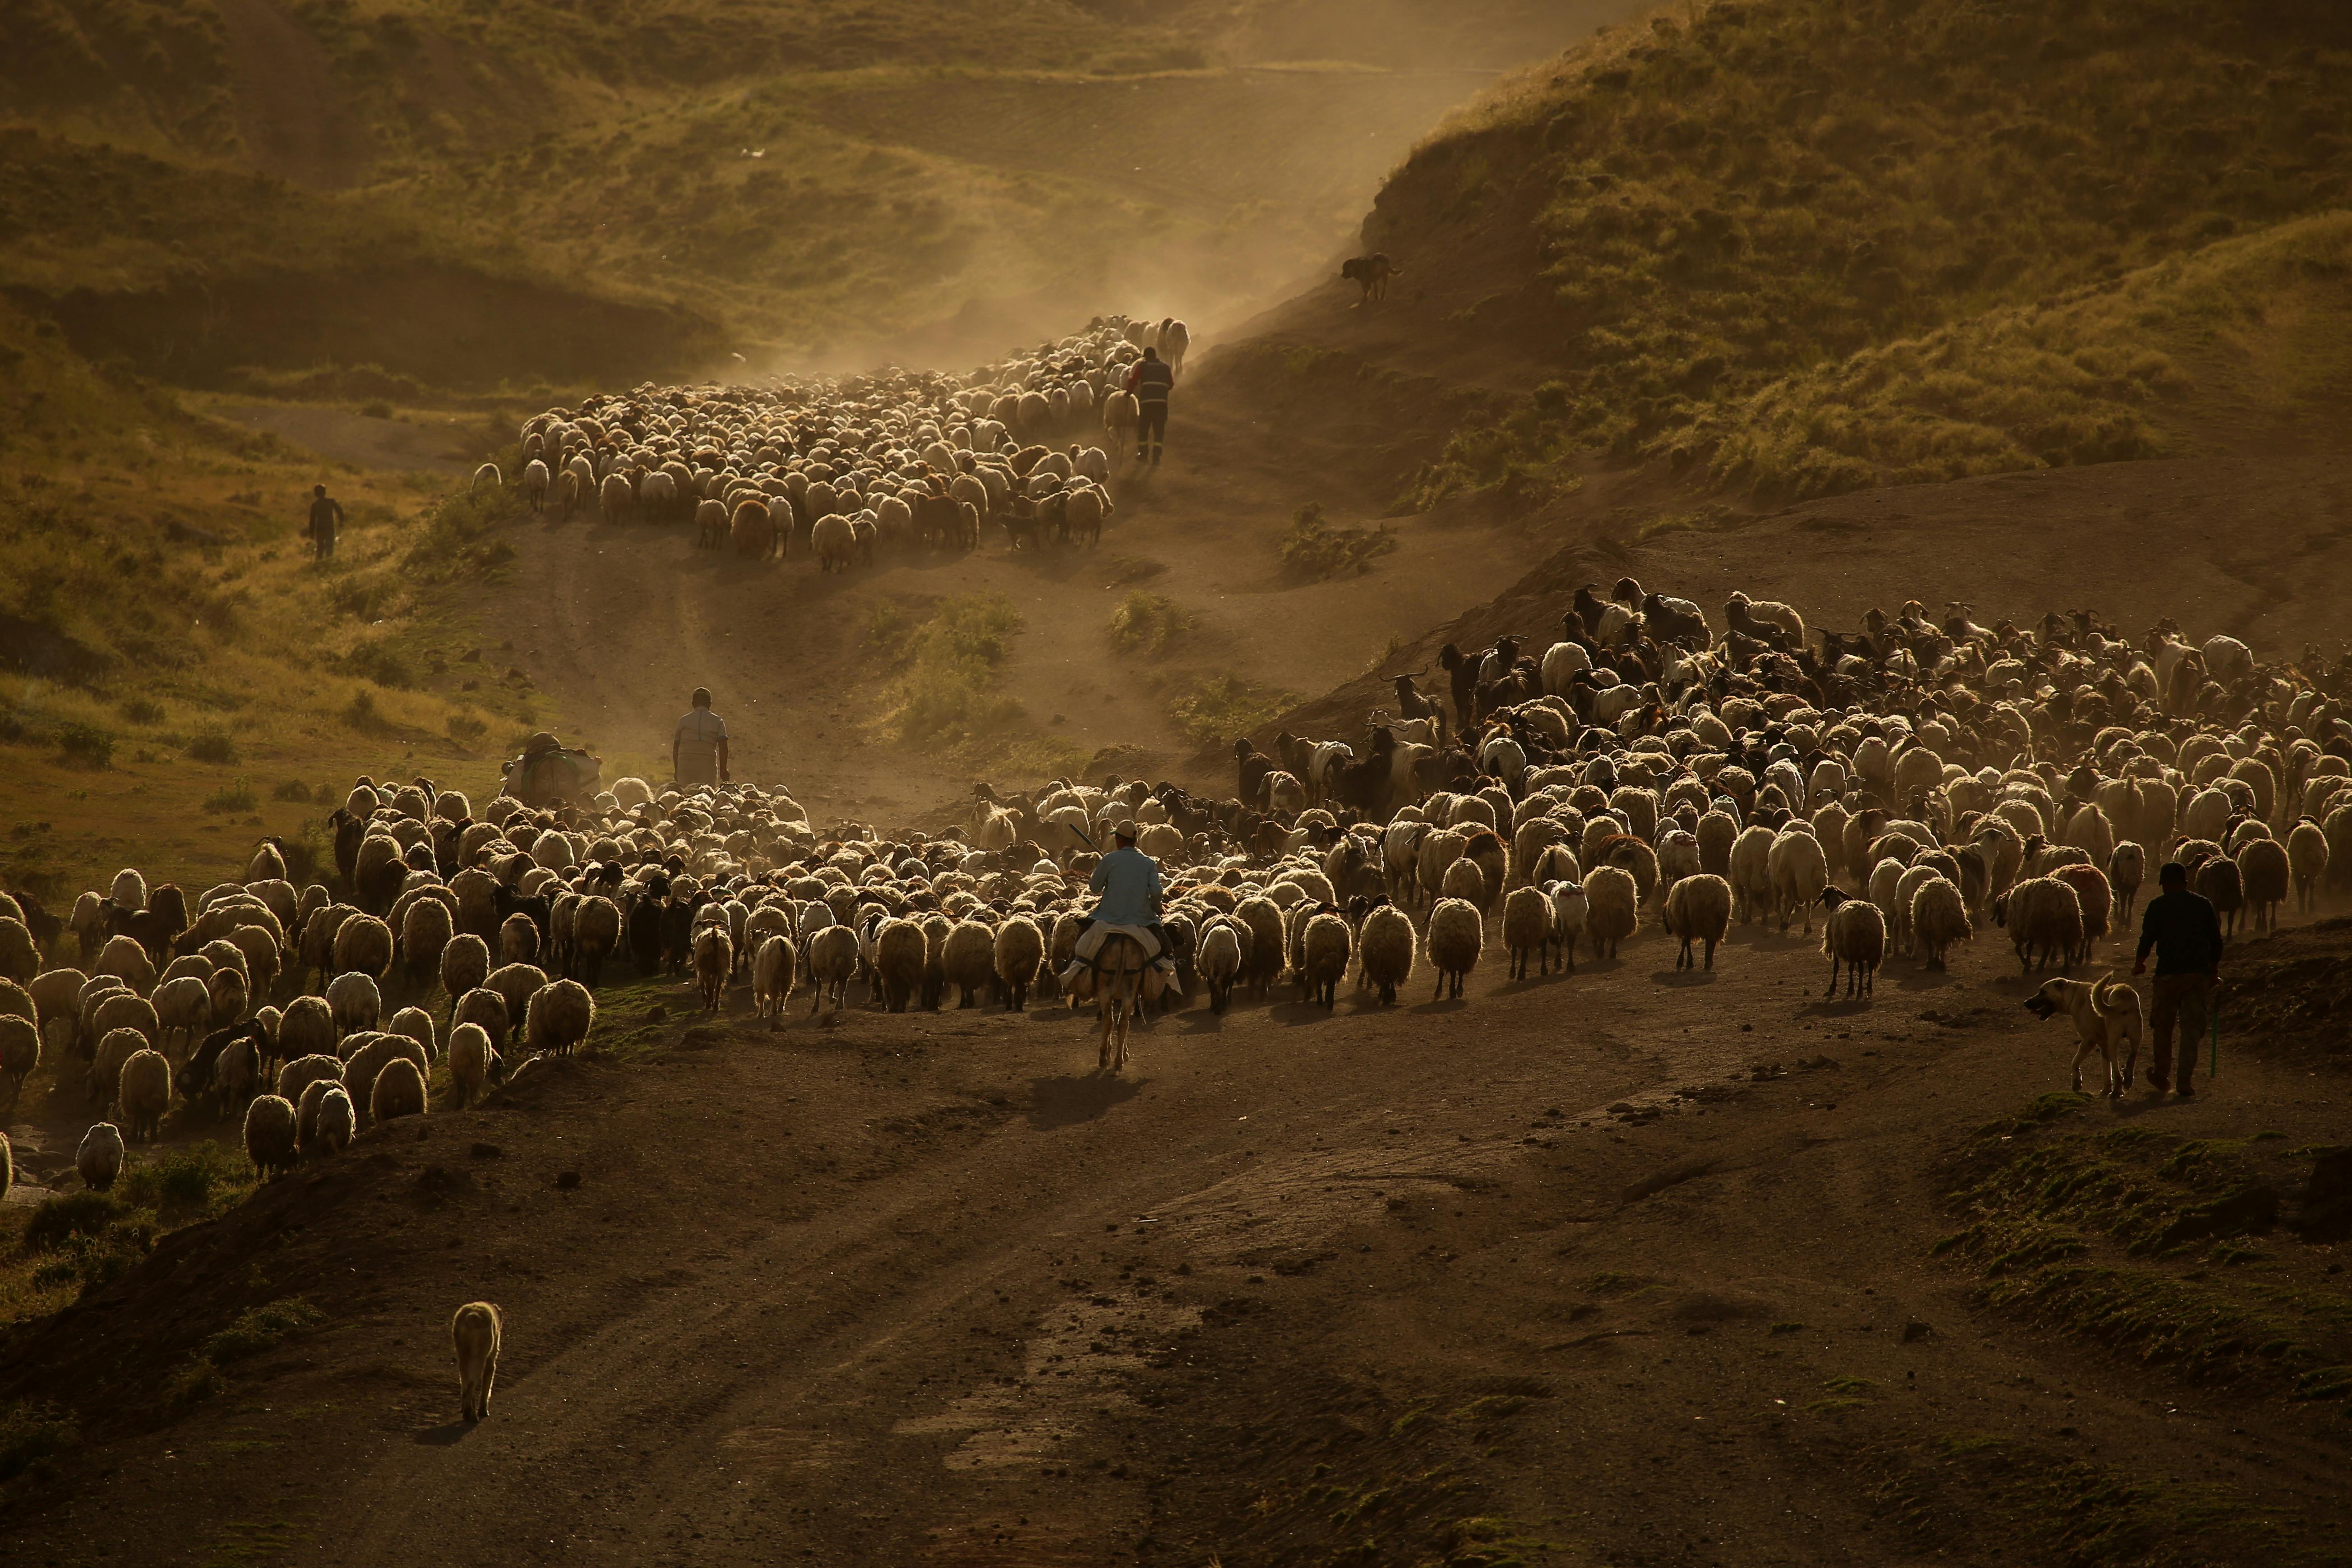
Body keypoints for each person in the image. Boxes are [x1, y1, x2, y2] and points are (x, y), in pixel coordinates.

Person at [2133, 860, 2224, 1097]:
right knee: (2191, 1030)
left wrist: (2140, 963)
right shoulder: (2203, 905)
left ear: (2164, 884)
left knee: (2163, 1027)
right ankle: (2184, 1080)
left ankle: (2162, 1075)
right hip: (2197, 976)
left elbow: (2147, 938)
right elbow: (2216, 941)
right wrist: (2213, 971)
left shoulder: (2157, 906)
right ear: (2186, 883)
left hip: (2167, 977)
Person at [1059, 822, 1176, 986]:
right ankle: (1171, 966)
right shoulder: (1148, 863)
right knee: (1165, 944)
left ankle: (1071, 965)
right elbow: (1157, 892)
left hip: (1109, 917)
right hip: (1142, 918)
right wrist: (1156, 909)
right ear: (1135, 840)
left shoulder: (1110, 859)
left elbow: (1094, 888)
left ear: (1119, 840)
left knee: (1083, 933)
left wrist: (1104, 872)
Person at [1124, 346, 1175, 468]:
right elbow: (1171, 384)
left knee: (1144, 429)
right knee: (1159, 430)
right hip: (1162, 404)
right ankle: (1156, 457)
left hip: (1147, 403)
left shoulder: (1143, 366)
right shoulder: (1166, 367)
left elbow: (1133, 380)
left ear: (1146, 357)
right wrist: (1161, 390)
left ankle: (1144, 454)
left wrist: (1128, 393)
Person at [673, 688, 730, 789]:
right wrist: (724, 770)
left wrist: (677, 769)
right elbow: (723, 746)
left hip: (686, 761)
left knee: (685, 795)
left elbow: (676, 745)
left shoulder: (683, 721)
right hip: (707, 762)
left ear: (693, 704)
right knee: (707, 795)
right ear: (710, 704)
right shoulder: (718, 721)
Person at [308, 484, 344, 562]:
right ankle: (329, 563)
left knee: (320, 548)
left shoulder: (315, 505)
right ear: (325, 492)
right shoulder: (331, 502)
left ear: (316, 494)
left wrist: (312, 532)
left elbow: (313, 520)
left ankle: (319, 564)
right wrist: (341, 521)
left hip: (320, 529)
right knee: (330, 547)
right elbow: (340, 511)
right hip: (330, 528)